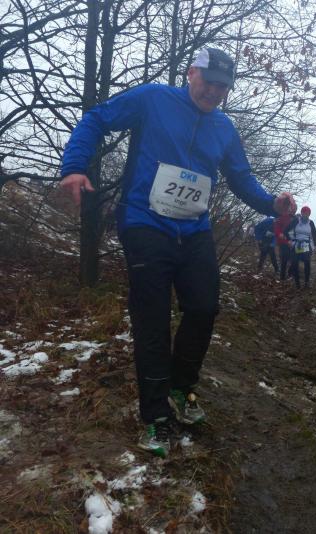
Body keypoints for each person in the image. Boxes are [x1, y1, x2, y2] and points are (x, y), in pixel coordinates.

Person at [59, 47, 296, 457]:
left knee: (204, 307)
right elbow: (97, 118)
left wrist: (271, 203)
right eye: (209, 82)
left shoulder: (223, 127)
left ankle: (181, 387)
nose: (214, 92)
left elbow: (241, 177)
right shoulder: (153, 99)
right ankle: (154, 415)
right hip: (145, 222)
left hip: (194, 229)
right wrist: (75, 165)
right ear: (191, 73)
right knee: (152, 317)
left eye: (223, 87)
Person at [286, 206, 316, 288]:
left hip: (306, 245)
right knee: (294, 263)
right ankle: (297, 283)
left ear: (309, 214)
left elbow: (314, 234)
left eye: (308, 214)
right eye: (304, 213)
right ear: (301, 213)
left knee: (307, 262)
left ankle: (307, 282)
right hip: (296, 243)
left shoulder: (311, 223)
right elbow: (287, 230)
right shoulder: (296, 220)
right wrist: (289, 240)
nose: (306, 215)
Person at [274, 212, 294, 280]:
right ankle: (282, 276)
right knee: (284, 259)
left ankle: (290, 273)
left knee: (294, 259)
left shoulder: (295, 219)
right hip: (283, 242)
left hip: (292, 242)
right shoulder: (281, 217)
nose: (293, 210)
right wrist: (280, 235)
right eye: (292, 208)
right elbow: (277, 231)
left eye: (295, 208)